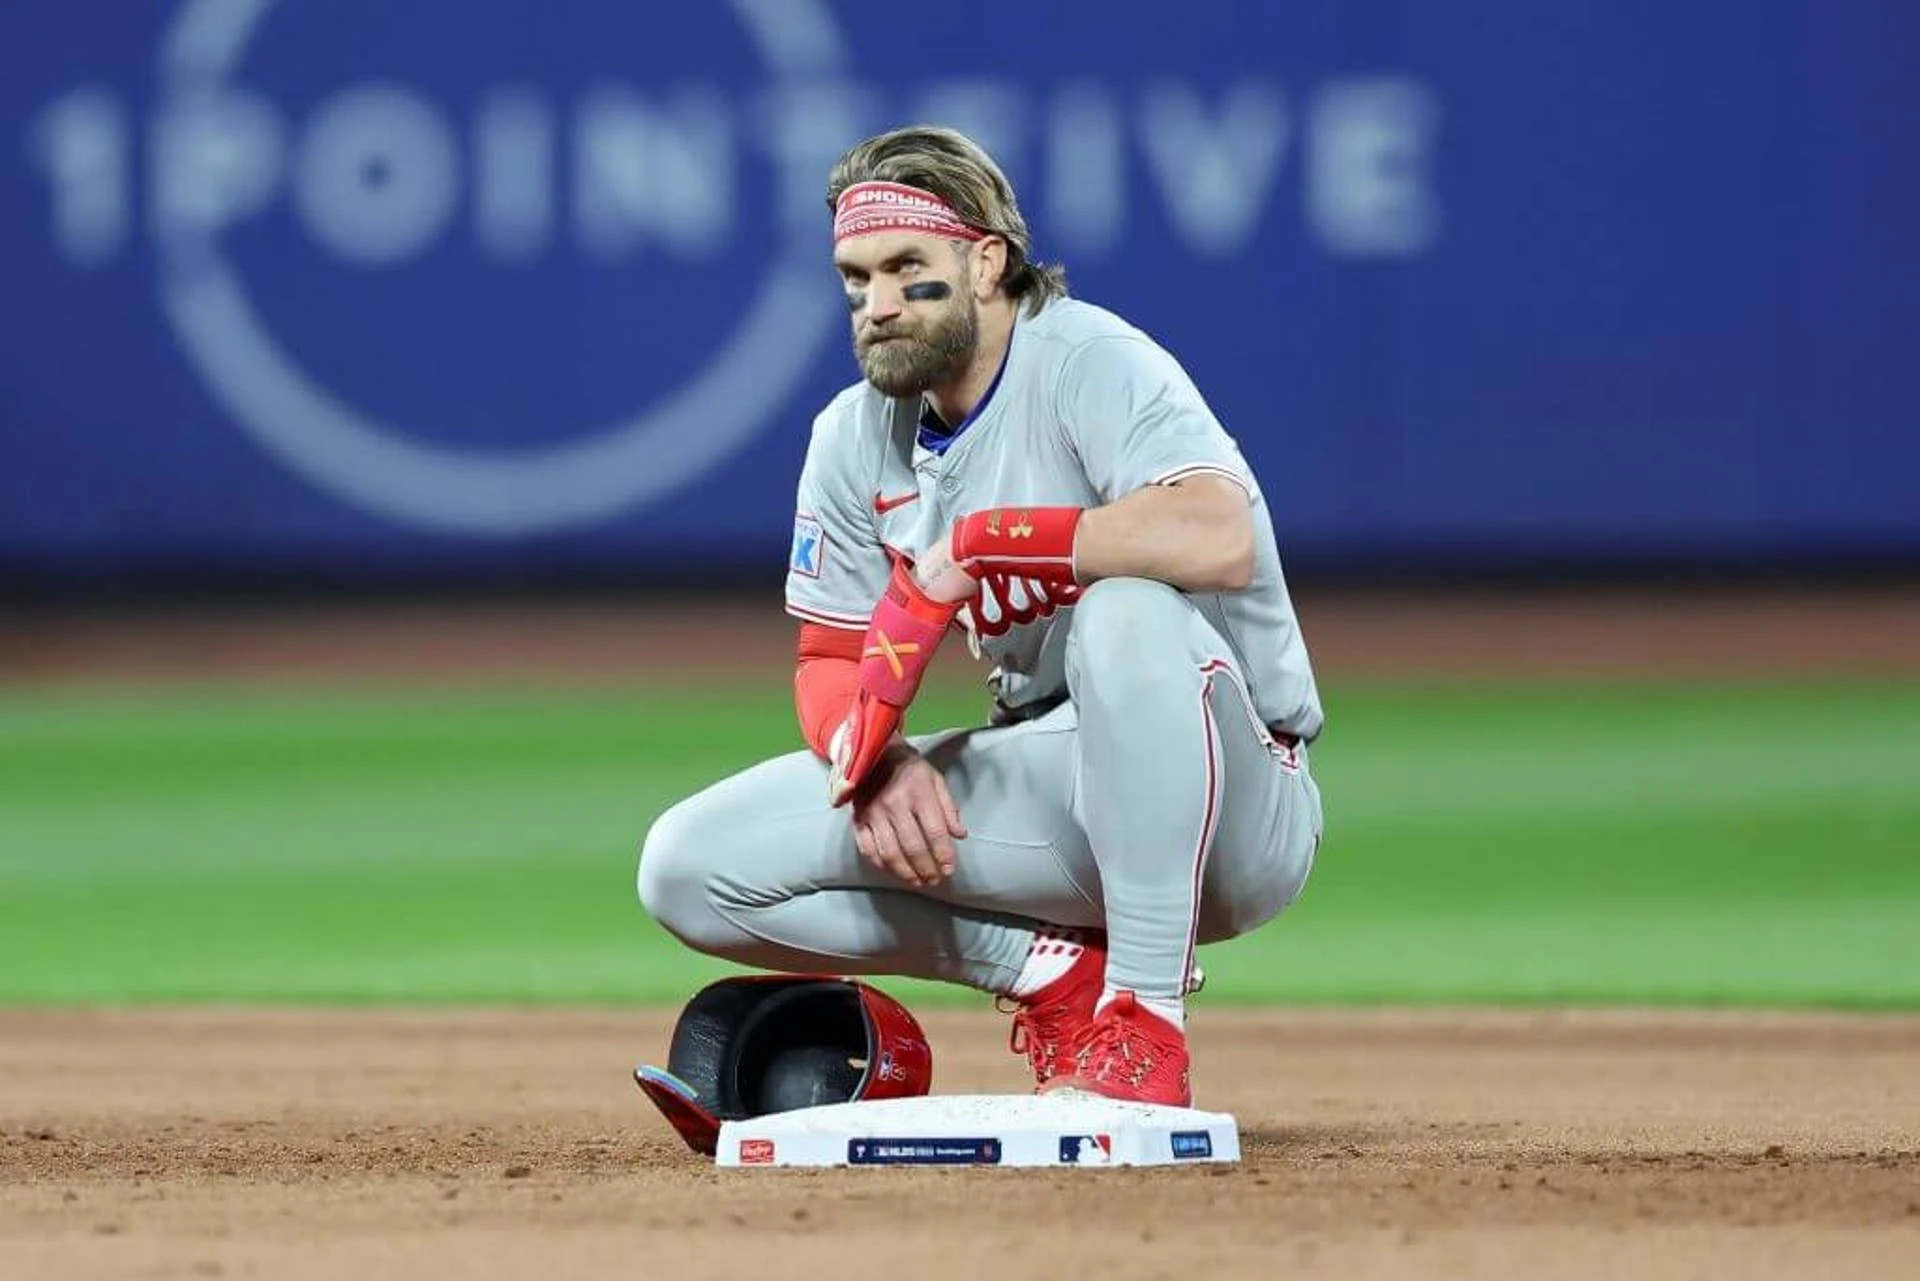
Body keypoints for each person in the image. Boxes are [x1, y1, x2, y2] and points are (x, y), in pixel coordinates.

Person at [637, 125, 1324, 1107]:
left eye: (905, 268)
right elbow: (829, 655)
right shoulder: (851, 437)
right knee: (687, 867)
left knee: (1126, 613)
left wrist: (987, 541)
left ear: (986, 259)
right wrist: (869, 758)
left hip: (1236, 797)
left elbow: (1217, 535)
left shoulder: (1088, 360)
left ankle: (1142, 1024)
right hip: (1058, 784)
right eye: (854, 278)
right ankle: (1053, 977)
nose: (875, 306)